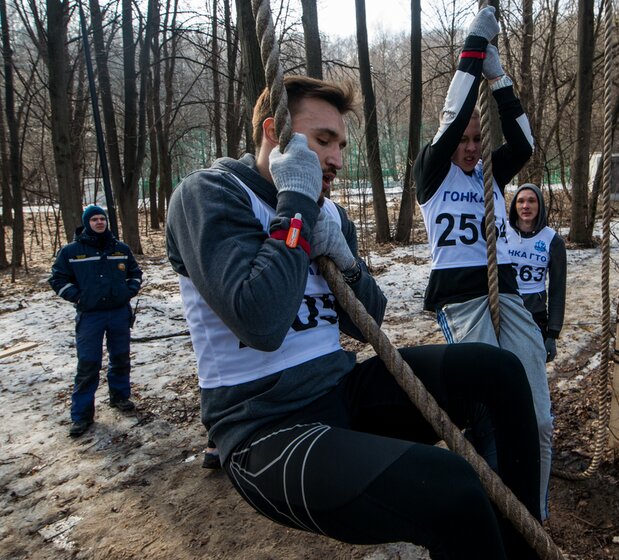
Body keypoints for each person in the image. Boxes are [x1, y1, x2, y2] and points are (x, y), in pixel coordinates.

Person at [165, 74, 542, 557]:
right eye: (322, 140)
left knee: (499, 373)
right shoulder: (211, 194)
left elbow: (370, 319)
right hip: (265, 430)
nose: (337, 159)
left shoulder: (328, 213)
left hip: (342, 392)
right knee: (452, 486)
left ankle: (522, 546)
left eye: (340, 144)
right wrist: (295, 208)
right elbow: (260, 321)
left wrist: (346, 259)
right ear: (271, 132)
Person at [414, 7, 554, 519]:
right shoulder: (433, 174)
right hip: (462, 301)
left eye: (478, 140)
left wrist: (499, 77)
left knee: (536, 419)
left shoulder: (491, 176)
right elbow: (452, 120)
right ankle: (492, 516)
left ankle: (534, 523)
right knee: (493, 413)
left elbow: (524, 142)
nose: (473, 148)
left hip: (509, 295)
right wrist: (473, 48)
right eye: (466, 141)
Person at [49, 205, 143, 437]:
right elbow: (57, 278)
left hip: (119, 312)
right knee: (88, 364)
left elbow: (135, 273)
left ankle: (120, 396)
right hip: (90, 316)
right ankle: (81, 416)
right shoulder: (71, 251)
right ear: (87, 223)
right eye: (94, 220)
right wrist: (79, 297)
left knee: (120, 357)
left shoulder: (120, 248)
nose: (100, 222)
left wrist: (128, 291)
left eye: (102, 219)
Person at [507, 184, 567, 362]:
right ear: (514, 206)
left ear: (539, 205)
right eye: (521, 201)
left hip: (535, 314)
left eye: (531, 201)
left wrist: (553, 333)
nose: (526, 206)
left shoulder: (553, 240)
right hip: (505, 311)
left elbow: (558, 288)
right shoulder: (502, 234)